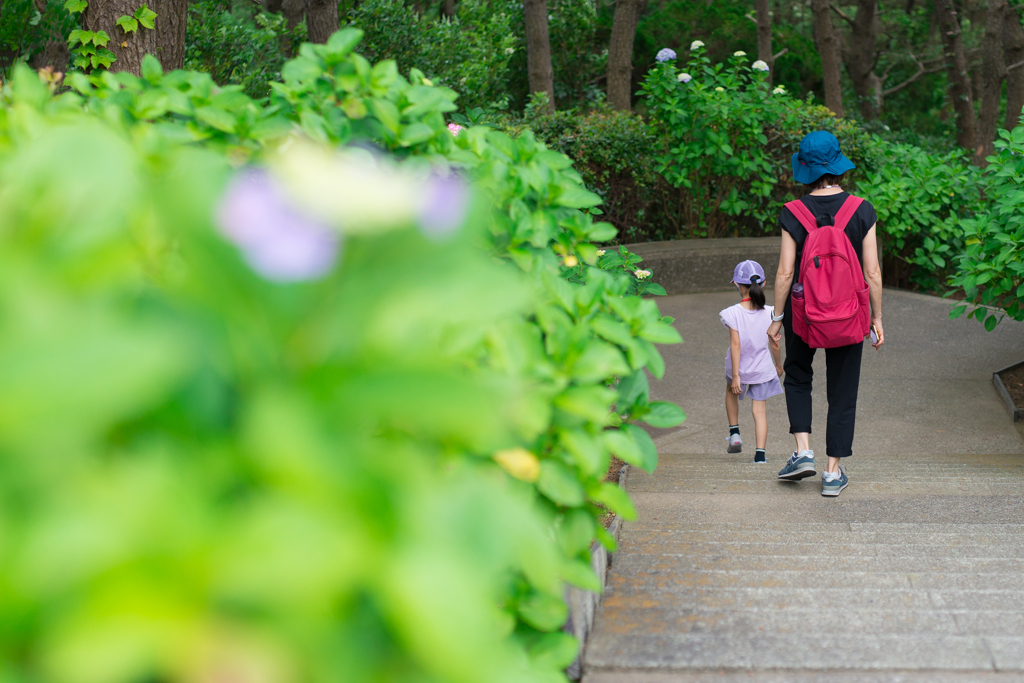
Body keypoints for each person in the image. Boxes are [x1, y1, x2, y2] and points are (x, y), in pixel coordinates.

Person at [767, 131, 884, 497]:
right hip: (850, 315)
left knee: (798, 376)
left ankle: (803, 451)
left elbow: (786, 272)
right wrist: (876, 318)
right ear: (837, 164)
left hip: (805, 315)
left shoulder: (793, 212)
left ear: (804, 167)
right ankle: (832, 474)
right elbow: (873, 272)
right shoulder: (861, 209)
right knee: (843, 390)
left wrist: (777, 317)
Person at [721, 260, 784, 463]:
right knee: (759, 411)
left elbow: (735, 345)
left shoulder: (733, 313)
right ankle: (760, 455)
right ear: (763, 283)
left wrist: (737, 376)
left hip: (738, 369)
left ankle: (735, 433)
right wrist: (778, 365)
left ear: (737, 285)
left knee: (730, 391)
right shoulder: (771, 313)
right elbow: (774, 344)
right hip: (762, 369)